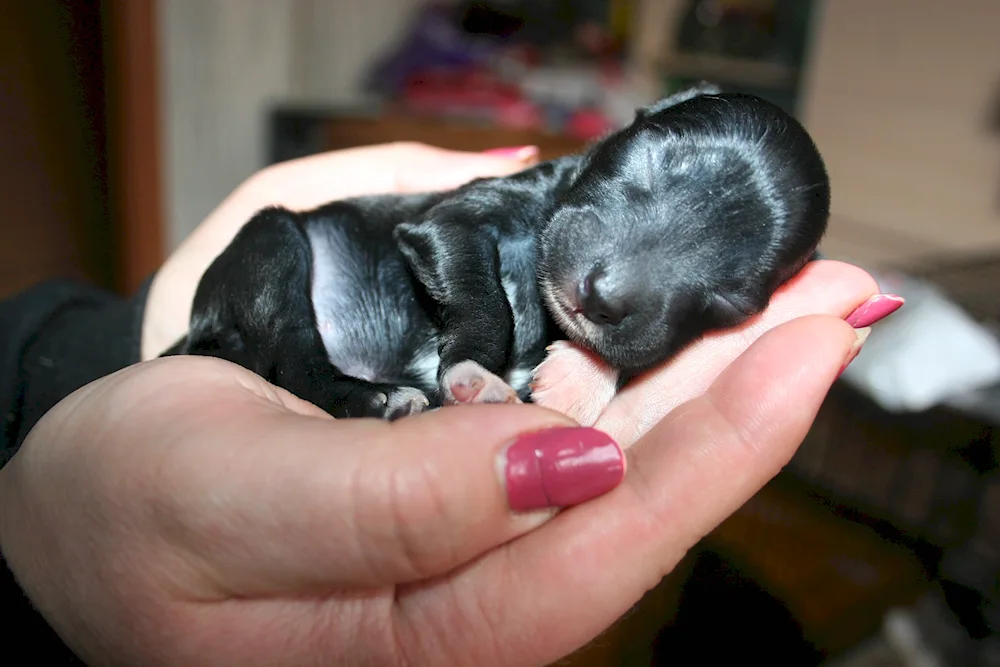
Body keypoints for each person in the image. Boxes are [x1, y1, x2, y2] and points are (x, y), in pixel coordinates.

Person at [0, 141, 897, 666]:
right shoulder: (545, 189)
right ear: (628, 134)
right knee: (271, 241)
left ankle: (357, 404)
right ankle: (347, 396)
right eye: (650, 180)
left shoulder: (613, 311)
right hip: (307, 274)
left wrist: (591, 369)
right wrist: (474, 345)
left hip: (375, 384)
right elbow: (442, 230)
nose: (619, 277)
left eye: (709, 287)